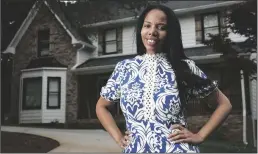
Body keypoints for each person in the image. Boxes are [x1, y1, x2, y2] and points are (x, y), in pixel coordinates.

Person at [96, 4, 232, 153]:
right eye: (147, 26)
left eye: (161, 27)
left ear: (170, 33)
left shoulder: (184, 67)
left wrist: (200, 136)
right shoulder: (124, 68)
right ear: (141, 29)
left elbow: (224, 104)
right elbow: (101, 106)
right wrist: (118, 137)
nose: (152, 32)